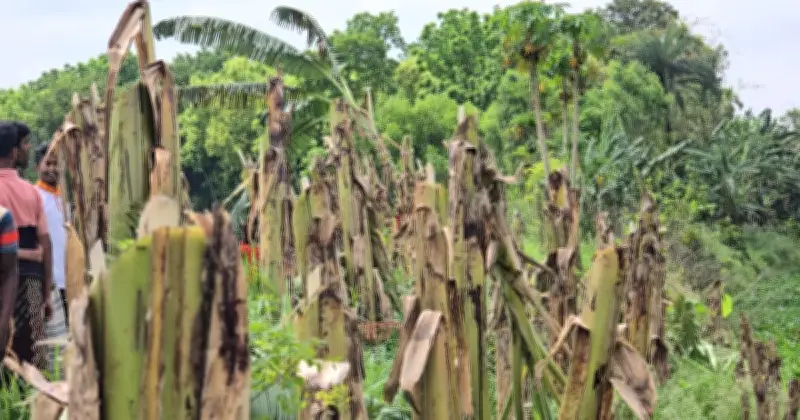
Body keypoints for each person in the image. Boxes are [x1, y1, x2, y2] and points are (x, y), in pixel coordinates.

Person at [0, 121, 51, 370]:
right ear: (13, 152)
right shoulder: (32, 193)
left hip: (2, 281)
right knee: (34, 358)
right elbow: (46, 245)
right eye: (25, 144)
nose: (28, 148)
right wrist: (47, 294)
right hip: (31, 282)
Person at [34, 143, 68, 376]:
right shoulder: (36, 197)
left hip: (70, 280)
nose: (52, 169)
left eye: (56, 164)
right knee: (53, 344)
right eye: (48, 163)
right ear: (38, 167)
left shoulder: (65, 199)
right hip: (51, 282)